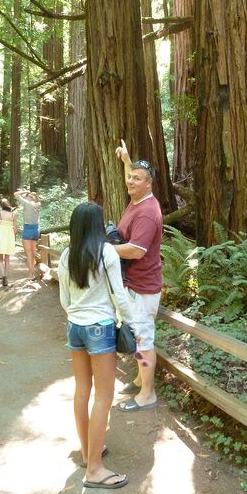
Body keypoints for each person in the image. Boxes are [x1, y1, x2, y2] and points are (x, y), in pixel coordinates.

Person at [58, 202, 138, 490]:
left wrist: (77, 316)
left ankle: (87, 451)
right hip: (99, 328)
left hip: (75, 328)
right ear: (98, 224)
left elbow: (64, 300)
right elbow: (119, 295)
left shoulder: (67, 255)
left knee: (82, 390)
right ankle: (94, 469)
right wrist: (134, 326)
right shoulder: (107, 252)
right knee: (105, 395)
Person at [113, 139, 163, 413]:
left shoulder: (146, 212)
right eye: (129, 177)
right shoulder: (138, 197)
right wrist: (127, 161)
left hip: (143, 289)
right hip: (134, 284)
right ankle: (138, 378)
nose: (130, 181)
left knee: (143, 339)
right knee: (137, 334)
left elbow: (135, 250)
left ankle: (148, 393)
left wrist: (104, 250)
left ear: (149, 184)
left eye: (137, 178)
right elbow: (131, 175)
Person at [14, 188, 41, 282]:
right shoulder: (38, 205)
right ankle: (34, 271)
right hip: (36, 229)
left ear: (30, 198)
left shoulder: (27, 204)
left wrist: (25, 191)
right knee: (33, 252)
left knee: (29, 254)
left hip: (28, 229)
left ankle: (31, 274)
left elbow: (16, 194)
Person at [0, 198, 17, 287]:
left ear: (1, 205)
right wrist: (13, 237)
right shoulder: (13, 214)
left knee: (0, 258)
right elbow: (15, 229)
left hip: (0, 235)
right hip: (9, 235)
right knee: (7, 258)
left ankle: (3, 275)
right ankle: (6, 277)